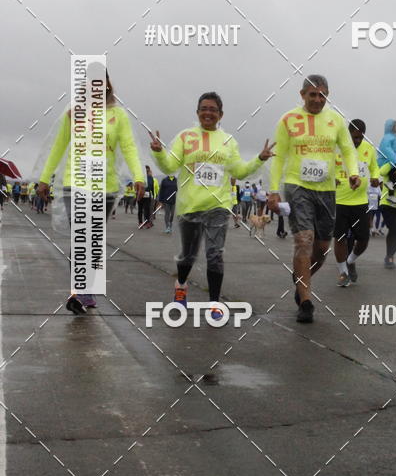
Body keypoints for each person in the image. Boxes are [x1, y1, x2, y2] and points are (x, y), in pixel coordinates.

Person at [149, 91, 274, 306]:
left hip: (218, 205)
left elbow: (240, 171)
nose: (208, 113)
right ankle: (181, 284)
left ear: (220, 114)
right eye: (204, 109)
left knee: (215, 254)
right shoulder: (185, 137)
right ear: (197, 112)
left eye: (213, 110)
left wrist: (259, 158)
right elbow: (169, 167)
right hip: (190, 206)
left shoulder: (228, 141)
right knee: (188, 256)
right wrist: (159, 152)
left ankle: (214, 303)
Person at [37, 72, 145, 314]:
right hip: (74, 184)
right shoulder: (73, 114)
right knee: (80, 237)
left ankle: (86, 289)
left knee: (93, 239)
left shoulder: (118, 115)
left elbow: (129, 147)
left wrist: (139, 177)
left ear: (107, 86)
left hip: (105, 188)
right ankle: (79, 292)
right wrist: (44, 179)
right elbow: (58, 147)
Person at [267, 75, 359, 323]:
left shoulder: (336, 120)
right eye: (312, 95)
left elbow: (348, 150)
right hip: (297, 186)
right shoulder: (288, 120)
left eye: (322, 95)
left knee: (321, 249)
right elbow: (278, 157)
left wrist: (353, 173)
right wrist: (273, 190)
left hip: (326, 190)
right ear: (302, 95)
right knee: (304, 241)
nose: (318, 100)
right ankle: (306, 301)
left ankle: (300, 279)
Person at [333, 119, 379, 286]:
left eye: (360, 137)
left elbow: (374, 167)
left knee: (364, 239)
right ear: (348, 134)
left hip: (361, 201)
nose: (357, 140)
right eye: (354, 137)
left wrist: (375, 177)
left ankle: (350, 261)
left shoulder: (369, 149)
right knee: (340, 238)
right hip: (340, 201)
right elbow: (327, 166)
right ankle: (343, 272)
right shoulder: (337, 147)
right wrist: (331, 179)